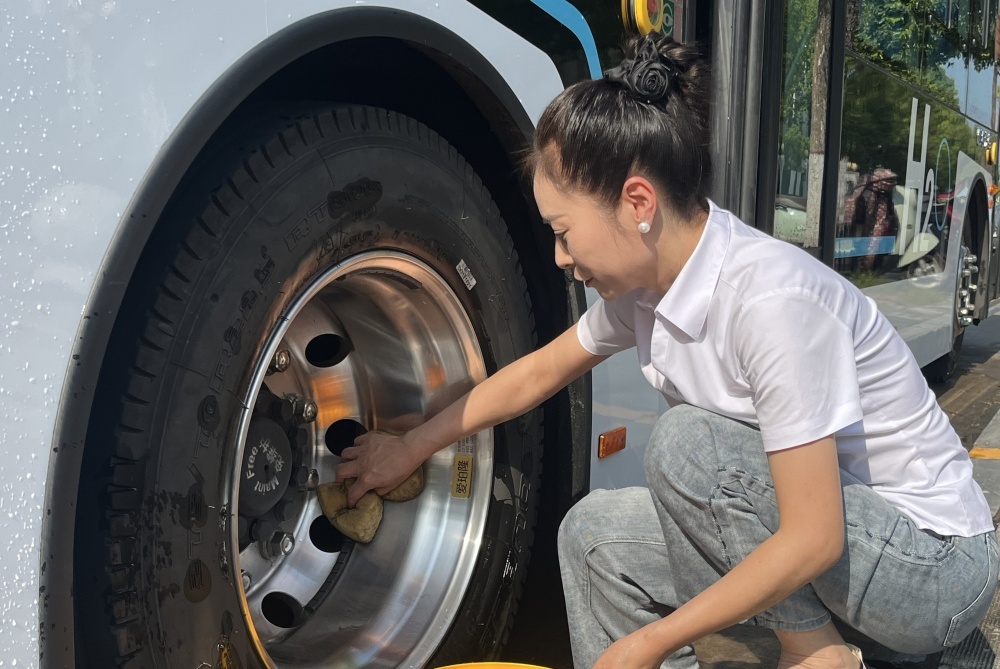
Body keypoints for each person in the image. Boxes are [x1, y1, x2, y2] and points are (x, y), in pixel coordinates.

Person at [335, 33, 997, 669]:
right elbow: (536, 374)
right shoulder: (649, 293)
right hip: (847, 563)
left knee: (687, 447)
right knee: (592, 537)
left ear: (638, 203)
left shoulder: (771, 301)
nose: (561, 258)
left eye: (564, 231)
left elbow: (815, 534)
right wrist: (411, 445)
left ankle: (814, 651)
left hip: (933, 571)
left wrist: (655, 638)